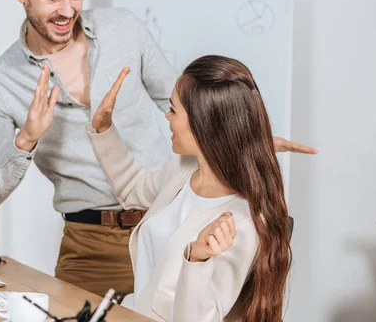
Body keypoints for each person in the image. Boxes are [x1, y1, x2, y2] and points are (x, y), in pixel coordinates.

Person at [0, 0, 315, 297]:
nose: (68, 11)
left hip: (165, 221)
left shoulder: (123, 29)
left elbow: (182, 103)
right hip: (90, 246)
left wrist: (242, 137)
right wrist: (26, 139)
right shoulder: (1, 82)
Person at [85, 55, 293, 321]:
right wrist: (103, 130)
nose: (166, 116)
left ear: (202, 122)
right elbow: (133, 189)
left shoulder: (239, 223)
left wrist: (197, 260)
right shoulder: (183, 169)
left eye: (173, 109)